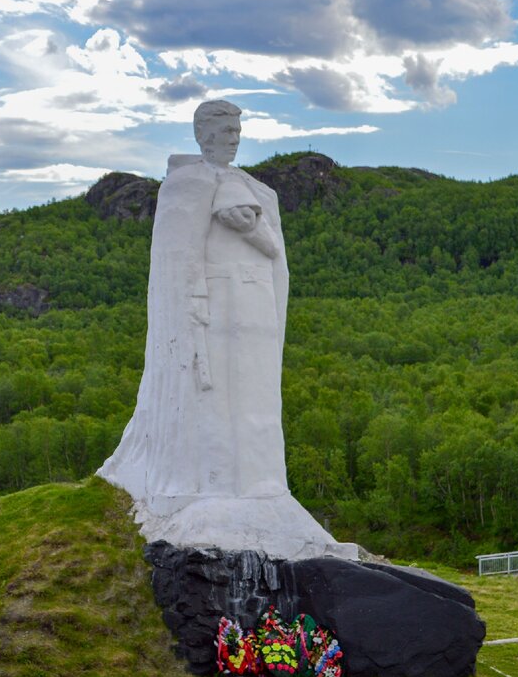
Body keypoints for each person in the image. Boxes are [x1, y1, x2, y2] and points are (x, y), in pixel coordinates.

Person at [98, 100, 356, 560]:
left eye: (238, 129)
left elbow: (275, 254)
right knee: (214, 396)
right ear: (202, 134)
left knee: (256, 397)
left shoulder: (260, 191)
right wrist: (191, 307)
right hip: (213, 308)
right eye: (224, 129)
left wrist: (250, 229)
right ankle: (210, 485)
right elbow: (177, 257)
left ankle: (262, 485)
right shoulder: (185, 184)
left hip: (255, 305)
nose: (233, 137)